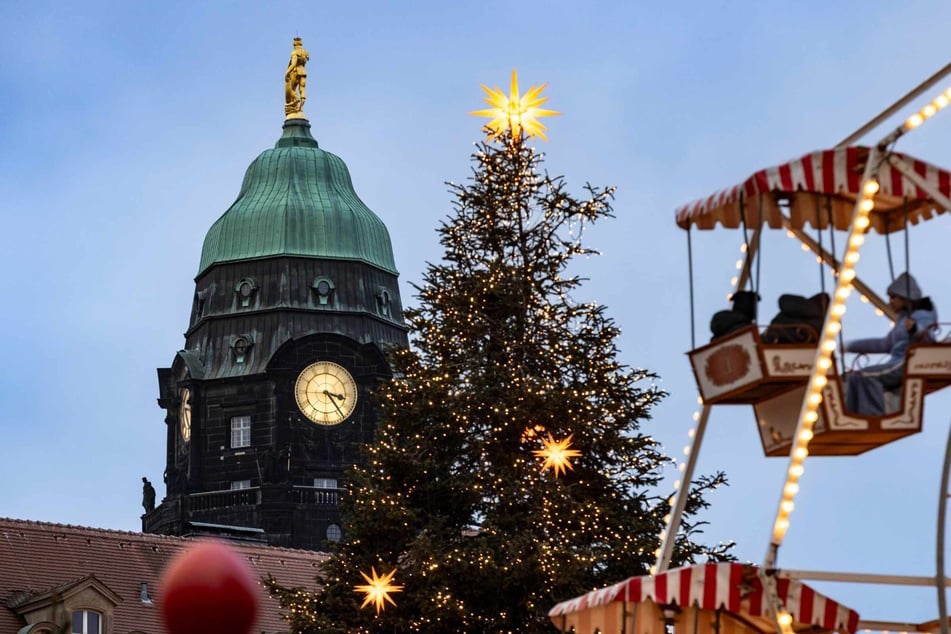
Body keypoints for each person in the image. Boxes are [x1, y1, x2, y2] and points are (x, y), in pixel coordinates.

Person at [844, 273, 937, 415]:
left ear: (905, 298)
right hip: (897, 362)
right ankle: (853, 416)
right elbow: (885, 344)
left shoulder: (922, 314)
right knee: (855, 377)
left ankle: (872, 417)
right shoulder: (902, 319)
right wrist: (849, 346)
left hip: (906, 362)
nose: (890, 302)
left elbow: (928, 333)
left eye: (893, 298)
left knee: (864, 375)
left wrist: (914, 329)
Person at [284, 37, 310, 115]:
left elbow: (293, 64)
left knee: (291, 89)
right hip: (303, 72)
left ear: (294, 44)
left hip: (295, 72)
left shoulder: (295, 52)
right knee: (302, 90)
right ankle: (301, 108)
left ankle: (296, 99)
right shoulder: (305, 53)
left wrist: (287, 72)